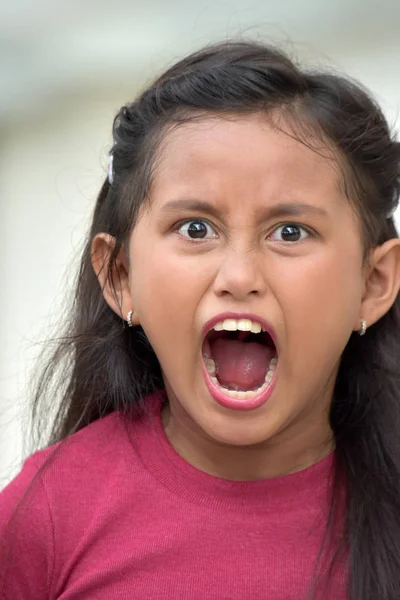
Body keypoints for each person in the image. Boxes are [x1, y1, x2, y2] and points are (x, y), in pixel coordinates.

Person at [1, 40, 400, 600]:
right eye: (195, 229)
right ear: (119, 275)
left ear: (373, 282)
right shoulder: (44, 516)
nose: (239, 275)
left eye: (290, 232)